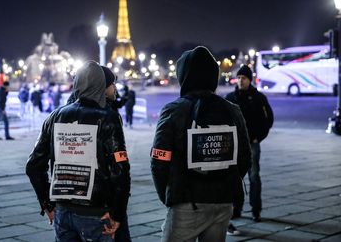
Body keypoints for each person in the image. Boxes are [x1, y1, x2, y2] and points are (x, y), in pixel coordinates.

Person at [150, 46, 251, 242]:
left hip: (187, 201)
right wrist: (225, 183)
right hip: (222, 202)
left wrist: (169, 196)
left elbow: (159, 161)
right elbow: (245, 158)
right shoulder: (232, 110)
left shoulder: (173, 111)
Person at [26, 61, 131, 242]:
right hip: (96, 212)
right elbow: (120, 171)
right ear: (100, 85)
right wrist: (117, 214)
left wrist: (47, 204)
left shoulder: (55, 116)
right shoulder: (107, 118)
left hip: (63, 212)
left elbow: (33, 165)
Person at [226, 65, 274, 223]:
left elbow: (268, 119)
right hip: (235, 145)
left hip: (252, 143)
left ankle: (256, 210)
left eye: (244, 78)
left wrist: (258, 138)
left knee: (254, 176)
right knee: (236, 177)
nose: (240, 80)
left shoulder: (258, 97)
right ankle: (236, 208)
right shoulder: (230, 98)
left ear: (249, 80)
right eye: (238, 77)